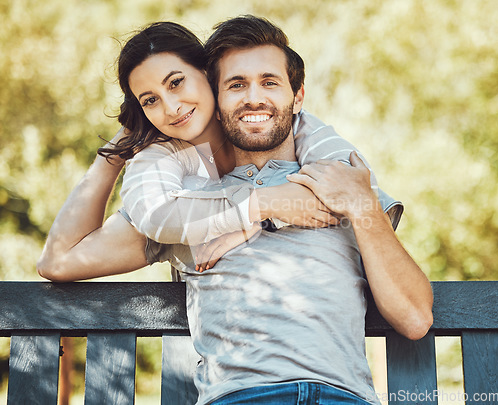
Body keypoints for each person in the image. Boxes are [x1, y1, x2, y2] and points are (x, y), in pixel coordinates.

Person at [39, 16, 433, 404]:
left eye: (270, 82)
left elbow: (414, 319)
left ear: (297, 96)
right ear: (217, 93)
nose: (253, 98)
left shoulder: (337, 183)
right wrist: (121, 144)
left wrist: (360, 205)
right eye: (236, 84)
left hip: (343, 398)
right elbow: (61, 259)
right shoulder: (185, 205)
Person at [37, 21, 395, 279]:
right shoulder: (163, 168)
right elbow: (58, 262)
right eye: (150, 100)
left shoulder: (286, 125)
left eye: (176, 82)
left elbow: (357, 193)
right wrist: (116, 151)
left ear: (209, 74)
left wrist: (247, 225)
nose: (172, 107)